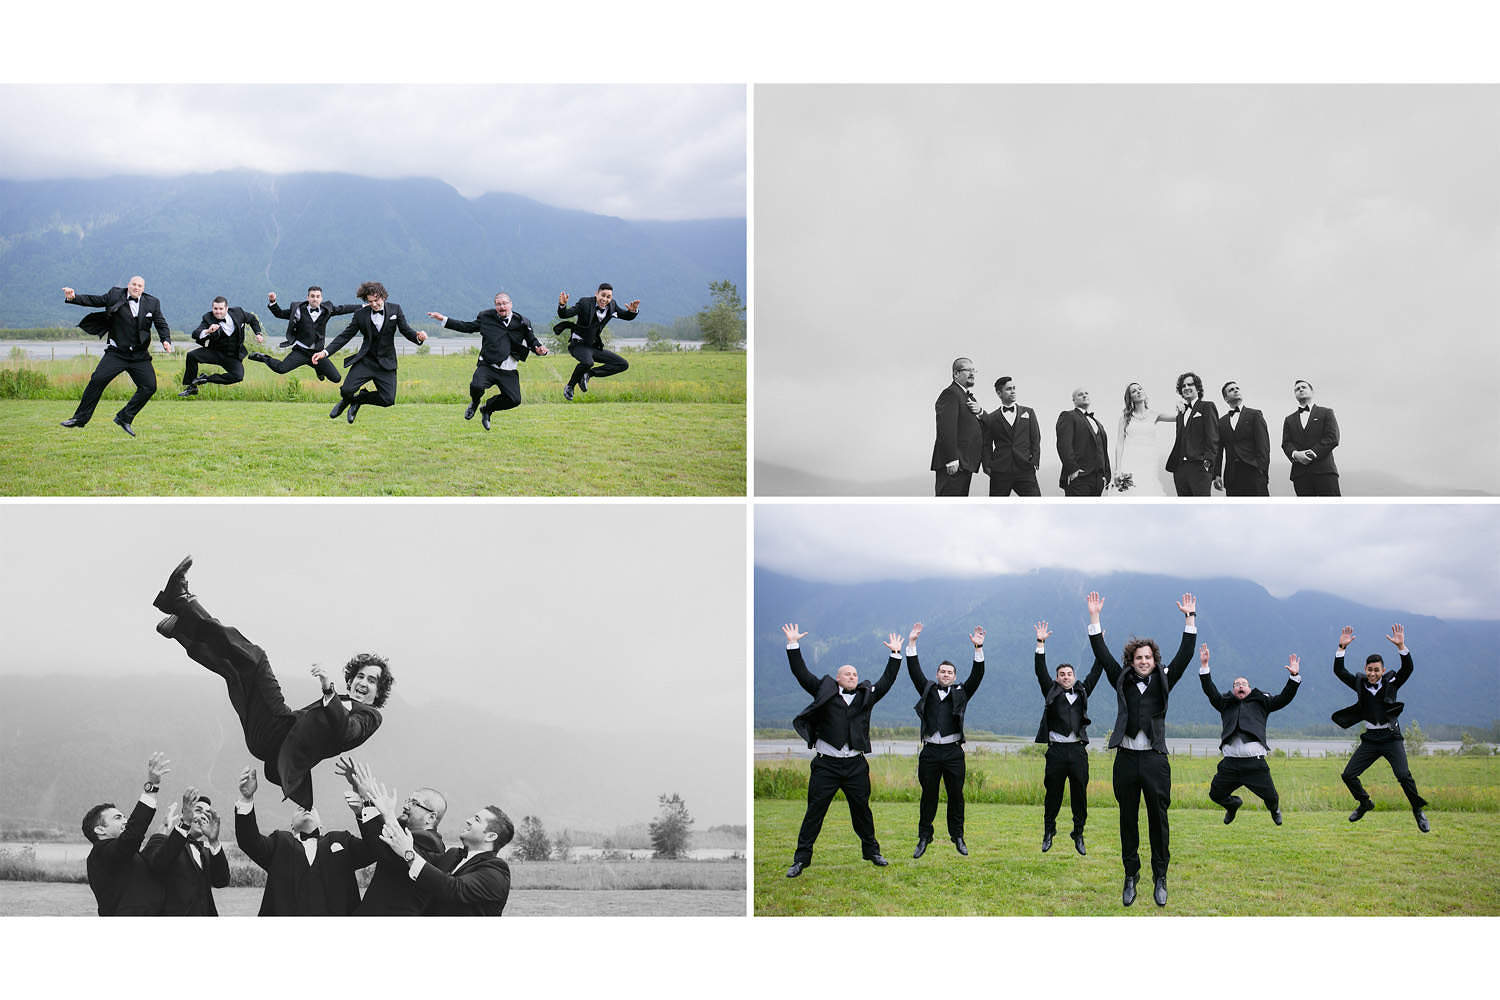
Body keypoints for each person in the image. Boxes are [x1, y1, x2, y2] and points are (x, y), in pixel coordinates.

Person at [152, 555, 392, 808]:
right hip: (270, 738)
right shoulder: (341, 701)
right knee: (238, 671)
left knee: (256, 658)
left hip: (277, 736)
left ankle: (182, 602)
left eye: (371, 680)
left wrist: (327, 690)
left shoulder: (370, 716)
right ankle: (180, 626)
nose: (363, 682)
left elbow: (347, 730)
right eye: (360, 676)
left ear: (378, 692)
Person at [1087, 590, 1198, 907]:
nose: (1144, 661)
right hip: (1125, 760)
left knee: (1158, 820)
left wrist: (1190, 618)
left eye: (1148, 657)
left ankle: (1160, 876)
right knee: (1127, 819)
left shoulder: (1164, 679)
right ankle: (1130, 875)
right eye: (1139, 658)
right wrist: (1095, 617)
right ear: (1131, 660)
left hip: (1154, 761)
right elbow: (1101, 653)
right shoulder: (1120, 678)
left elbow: (1185, 655)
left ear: (1154, 660)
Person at [781, 622, 903, 877]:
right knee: (815, 812)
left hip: (855, 765)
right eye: (847, 674)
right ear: (838, 678)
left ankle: (872, 852)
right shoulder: (823, 690)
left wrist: (895, 654)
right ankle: (801, 860)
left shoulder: (866, 695)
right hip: (826, 765)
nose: (852, 677)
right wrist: (793, 644)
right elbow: (801, 673)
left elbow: (887, 681)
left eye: (855, 674)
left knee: (862, 811)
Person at [233, 765, 373, 916]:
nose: (306, 808)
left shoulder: (342, 840)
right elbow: (249, 841)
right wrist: (246, 799)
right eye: (299, 809)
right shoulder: (279, 842)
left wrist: (363, 808)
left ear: (321, 825)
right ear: (292, 826)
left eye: (311, 808)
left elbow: (372, 850)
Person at [1331, 624, 1429, 831]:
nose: (1373, 673)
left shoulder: (1392, 682)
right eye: (1370, 670)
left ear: (1383, 671)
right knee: (1348, 775)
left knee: (1403, 776)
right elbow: (1339, 671)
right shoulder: (1359, 683)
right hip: (1371, 739)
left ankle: (1418, 810)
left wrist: (1401, 646)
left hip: (1391, 737)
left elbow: (1408, 669)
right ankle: (1365, 803)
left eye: (1377, 670)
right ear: (1365, 670)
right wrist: (1342, 647)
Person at [905, 622, 985, 858]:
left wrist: (978, 648)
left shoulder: (962, 692)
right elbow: (914, 671)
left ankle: (957, 836)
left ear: (955, 676)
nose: (946, 674)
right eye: (942, 671)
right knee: (928, 796)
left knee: (956, 796)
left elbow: (977, 675)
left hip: (953, 752)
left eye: (950, 672)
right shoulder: (927, 689)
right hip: (930, 752)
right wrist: (912, 643)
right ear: (937, 674)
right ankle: (924, 837)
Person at [59, 275, 174, 436]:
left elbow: (161, 323)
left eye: (140, 286)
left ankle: (124, 417)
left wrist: (165, 340)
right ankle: (80, 418)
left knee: (149, 387)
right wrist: (74, 297)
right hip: (117, 353)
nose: (136, 288)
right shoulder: (115, 294)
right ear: (128, 285)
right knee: (97, 380)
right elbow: (95, 300)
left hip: (139, 355)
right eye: (134, 284)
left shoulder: (152, 302)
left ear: (143, 289)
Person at [376, 784, 514, 916]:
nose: (468, 820)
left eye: (477, 820)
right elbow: (415, 856)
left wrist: (409, 854)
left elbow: (453, 888)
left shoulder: (496, 873)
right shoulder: (453, 854)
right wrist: (387, 815)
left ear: (490, 836)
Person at [1199, 646, 1301, 825]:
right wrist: (1205, 666)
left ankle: (1274, 809)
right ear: (1233, 690)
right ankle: (1233, 805)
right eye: (1236, 684)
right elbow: (1210, 690)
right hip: (1230, 764)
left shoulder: (1262, 702)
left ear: (1249, 688)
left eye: (1243, 684)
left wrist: (1294, 677)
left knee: (1271, 797)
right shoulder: (1225, 703)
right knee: (1215, 794)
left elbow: (1284, 698)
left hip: (1255, 764)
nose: (1240, 685)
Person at [335, 758, 449, 916]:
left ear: (431, 817)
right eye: (408, 800)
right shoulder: (405, 832)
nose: (406, 805)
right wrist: (360, 795)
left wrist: (368, 799)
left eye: (414, 803)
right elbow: (377, 841)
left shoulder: (430, 843)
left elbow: (383, 849)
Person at [427, 292, 550, 430]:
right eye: (498, 304)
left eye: (504, 303)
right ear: (495, 306)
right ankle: (475, 402)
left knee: (514, 400)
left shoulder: (523, 322)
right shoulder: (486, 317)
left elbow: (532, 341)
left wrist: (540, 349)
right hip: (488, 365)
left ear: (511, 304)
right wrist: (443, 319)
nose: (502, 306)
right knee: (476, 386)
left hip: (508, 370)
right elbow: (467, 327)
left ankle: (487, 409)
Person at [1033, 621, 1104, 855]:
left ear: (1074, 676)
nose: (1066, 677)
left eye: (1069, 674)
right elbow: (1040, 671)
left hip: (1077, 751)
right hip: (1056, 751)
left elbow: (1096, 671)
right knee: (1052, 794)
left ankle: (1078, 833)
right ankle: (1048, 831)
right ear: (1057, 678)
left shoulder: (1083, 691)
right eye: (1062, 674)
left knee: (1079, 795)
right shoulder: (1050, 691)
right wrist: (1040, 643)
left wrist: (1100, 645)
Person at [312, 281, 428, 423]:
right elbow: (345, 336)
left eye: (376, 300)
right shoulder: (360, 314)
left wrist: (418, 337)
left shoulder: (395, 309)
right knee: (346, 390)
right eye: (370, 301)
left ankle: (358, 400)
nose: (373, 304)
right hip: (366, 361)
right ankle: (346, 400)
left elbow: (406, 330)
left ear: (383, 296)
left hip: (386, 363)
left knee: (388, 399)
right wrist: (325, 352)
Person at [83, 752, 170, 916]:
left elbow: (149, 855)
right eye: (118, 818)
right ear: (100, 829)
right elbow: (132, 835)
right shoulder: (100, 854)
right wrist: (151, 786)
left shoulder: (125, 853)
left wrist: (164, 827)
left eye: (124, 816)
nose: (126, 820)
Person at [142, 787, 229, 916]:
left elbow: (221, 881)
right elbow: (158, 864)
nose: (203, 816)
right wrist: (185, 823)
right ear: (185, 812)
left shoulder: (207, 851)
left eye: (207, 814)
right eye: (198, 810)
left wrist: (214, 841)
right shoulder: (163, 842)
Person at [249, 286, 361, 383]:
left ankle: (318, 369)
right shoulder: (298, 310)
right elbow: (280, 314)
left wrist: (363, 306)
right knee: (281, 369)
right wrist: (273, 301)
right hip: (301, 351)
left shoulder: (327, 310)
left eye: (317, 296)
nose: (315, 299)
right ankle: (263, 357)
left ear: (321, 298)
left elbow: (344, 309)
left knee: (336, 378)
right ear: (308, 298)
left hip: (318, 353)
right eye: (312, 296)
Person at [555, 283, 638, 401]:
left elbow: (626, 316)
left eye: (608, 297)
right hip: (578, 345)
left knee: (622, 364)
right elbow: (564, 314)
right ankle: (570, 386)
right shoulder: (584, 303)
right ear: (596, 294)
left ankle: (588, 374)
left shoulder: (612, 306)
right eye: (603, 295)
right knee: (588, 362)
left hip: (593, 347)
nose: (605, 299)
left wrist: (633, 312)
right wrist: (562, 305)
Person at [178, 297, 265, 396]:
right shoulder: (208, 318)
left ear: (226, 308)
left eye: (221, 309)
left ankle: (206, 379)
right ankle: (191, 387)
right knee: (191, 355)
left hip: (232, 356)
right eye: (215, 309)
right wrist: (208, 331)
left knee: (238, 376)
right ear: (212, 308)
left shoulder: (238, 312)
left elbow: (252, 319)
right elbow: (195, 333)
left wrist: (258, 333)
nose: (218, 312)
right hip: (215, 353)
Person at [980, 376, 1042, 496]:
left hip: (1025, 469)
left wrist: (1034, 460)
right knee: (997, 505)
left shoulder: (1029, 412)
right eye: (1008, 389)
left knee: (1035, 502)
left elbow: (1036, 438)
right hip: (1000, 470)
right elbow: (986, 444)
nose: (1013, 391)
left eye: (1014, 388)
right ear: (999, 393)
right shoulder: (991, 418)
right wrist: (987, 465)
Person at [931, 358, 984, 496]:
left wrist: (980, 411)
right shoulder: (950, 394)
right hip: (954, 464)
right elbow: (946, 428)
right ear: (956, 374)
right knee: (948, 504)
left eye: (974, 371)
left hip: (965, 464)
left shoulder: (969, 398)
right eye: (968, 370)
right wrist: (951, 459)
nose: (972, 374)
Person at [1112, 382, 1174, 496]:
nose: (1138, 392)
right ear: (1130, 398)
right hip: (1130, 460)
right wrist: (1118, 469)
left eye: (1140, 389)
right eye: (1134, 391)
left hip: (1149, 460)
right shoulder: (1125, 418)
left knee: (1148, 489)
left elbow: (1178, 418)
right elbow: (1119, 444)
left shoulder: (1155, 415)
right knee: (1130, 492)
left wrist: (1181, 405)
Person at [1281, 379, 1341, 495]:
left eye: (1304, 387)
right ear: (1295, 395)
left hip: (1324, 471)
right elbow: (1286, 443)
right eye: (1297, 389)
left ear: (1312, 392)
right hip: (1300, 474)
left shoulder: (1326, 412)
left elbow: (1332, 437)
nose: (1300, 390)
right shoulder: (1289, 419)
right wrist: (1295, 454)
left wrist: (1312, 453)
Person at [1166, 371, 1220, 496]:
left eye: (1190, 384)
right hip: (1180, 469)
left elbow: (1213, 437)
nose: (1186, 388)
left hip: (1200, 467)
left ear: (1198, 388)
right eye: (1183, 386)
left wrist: (1208, 464)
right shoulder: (1181, 412)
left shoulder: (1207, 406)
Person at [1213, 380, 1271, 496]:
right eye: (1231, 390)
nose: (1235, 390)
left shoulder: (1255, 415)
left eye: (1237, 388)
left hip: (1254, 474)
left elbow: (1264, 446)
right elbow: (1218, 451)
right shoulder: (1221, 422)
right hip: (1232, 478)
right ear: (1226, 398)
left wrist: (1262, 471)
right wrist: (1217, 474)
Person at [1056, 387, 1110, 497]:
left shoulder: (1097, 422)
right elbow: (1064, 445)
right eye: (1080, 394)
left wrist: (1107, 475)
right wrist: (1073, 469)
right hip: (1079, 478)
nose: (1084, 395)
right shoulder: (1068, 416)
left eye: (1086, 393)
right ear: (1074, 400)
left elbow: (1104, 450)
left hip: (1099, 480)